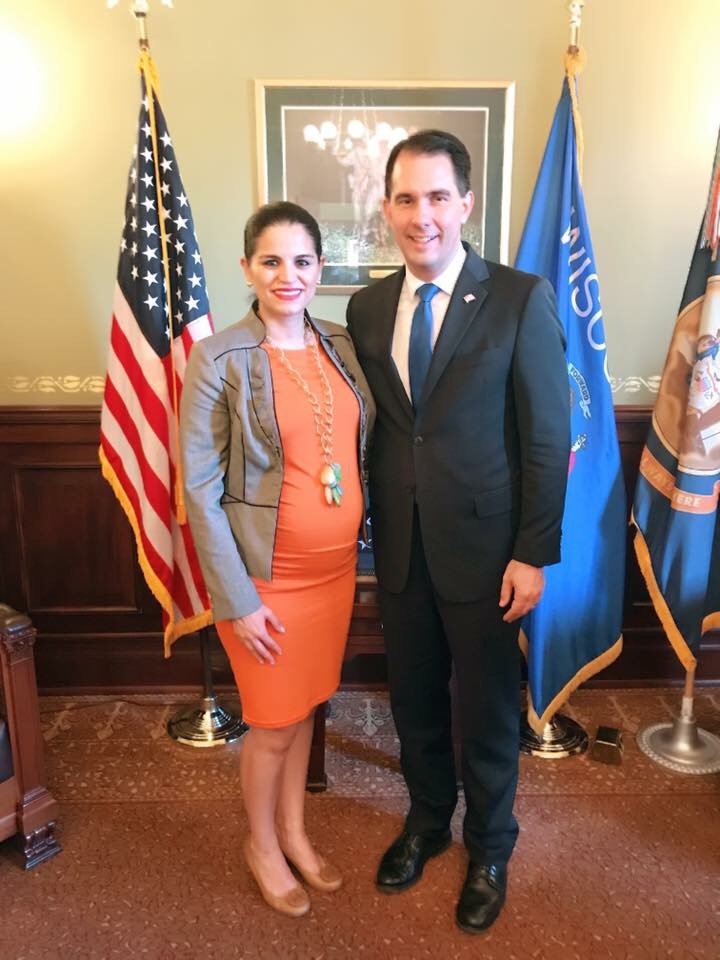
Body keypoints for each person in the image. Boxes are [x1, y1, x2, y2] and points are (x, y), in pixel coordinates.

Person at [346, 130, 569, 934]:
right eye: (406, 198)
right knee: (413, 700)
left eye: (438, 197)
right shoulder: (367, 308)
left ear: (466, 204)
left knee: (487, 708)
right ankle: (427, 819)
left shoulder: (518, 298)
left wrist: (532, 553)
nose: (422, 216)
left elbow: (546, 437)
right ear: (386, 208)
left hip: (488, 553)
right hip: (401, 548)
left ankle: (491, 846)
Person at [180, 201, 375, 919]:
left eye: (301, 261)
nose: (287, 275)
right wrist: (238, 600)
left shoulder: (340, 343)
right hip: (266, 582)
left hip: (334, 576)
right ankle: (261, 843)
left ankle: (293, 830)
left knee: (305, 709)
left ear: (320, 269)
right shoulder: (219, 356)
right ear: (247, 268)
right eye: (271, 261)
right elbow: (200, 490)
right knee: (272, 723)